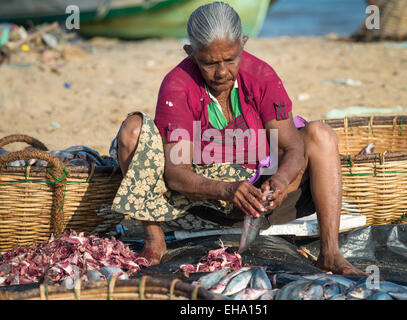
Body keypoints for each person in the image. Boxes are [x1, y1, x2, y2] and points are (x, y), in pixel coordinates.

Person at [110, 1, 366, 276]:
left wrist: (279, 180)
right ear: (191, 53)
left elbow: (291, 147)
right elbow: (175, 173)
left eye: (230, 59)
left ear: (243, 44)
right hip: (200, 202)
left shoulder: (261, 76)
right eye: (209, 63)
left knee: (321, 134)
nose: (222, 72)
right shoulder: (178, 85)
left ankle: (330, 252)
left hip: (261, 198)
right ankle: (154, 240)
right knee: (132, 131)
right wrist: (227, 190)